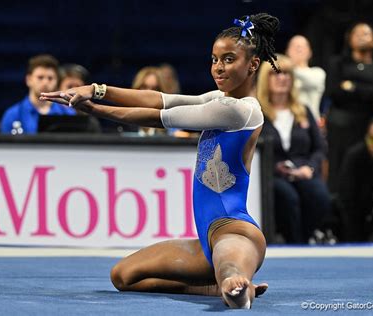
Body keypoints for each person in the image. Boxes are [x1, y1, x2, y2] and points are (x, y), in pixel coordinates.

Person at [41, 13, 280, 309]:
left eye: (229, 59)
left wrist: (94, 109)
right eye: (214, 59)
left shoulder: (242, 110)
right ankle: (212, 288)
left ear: (253, 65)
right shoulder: (219, 99)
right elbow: (161, 100)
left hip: (235, 231)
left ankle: (234, 284)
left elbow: (158, 116)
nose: (218, 68)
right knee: (123, 277)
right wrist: (96, 89)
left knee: (228, 267)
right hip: (206, 240)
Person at [257, 54, 331, 243]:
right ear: (266, 79)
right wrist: (275, 167)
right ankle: (294, 243)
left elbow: (319, 147)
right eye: (277, 74)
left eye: (287, 74)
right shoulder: (257, 112)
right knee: (288, 197)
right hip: (272, 174)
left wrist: (310, 168)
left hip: (303, 169)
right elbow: (252, 148)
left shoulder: (303, 110)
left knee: (320, 196)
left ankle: (307, 238)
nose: (282, 78)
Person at [325, 22, 373, 192]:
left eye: (366, 33)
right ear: (348, 40)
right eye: (357, 34)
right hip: (341, 126)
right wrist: (370, 92)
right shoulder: (337, 64)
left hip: (370, 124)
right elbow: (334, 91)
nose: (361, 37)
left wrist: (353, 87)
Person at [0, 54, 76, 134]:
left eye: (50, 78)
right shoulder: (12, 115)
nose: (45, 82)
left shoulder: (68, 114)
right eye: (40, 77)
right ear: (28, 80)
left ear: (57, 81)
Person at [286, 35, 326, 124]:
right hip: (288, 121)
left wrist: (286, 65)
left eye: (303, 46)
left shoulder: (318, 72)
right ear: (287, 51)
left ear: (310, 52)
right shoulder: (282, 75)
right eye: (294, 45)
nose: (298, 48)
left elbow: (311, 82)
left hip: (311, 123)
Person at [131, 66, 167, 136]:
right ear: (136, 89)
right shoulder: (122, 125)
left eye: (154, 88)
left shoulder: (170, 126)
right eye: (144, 87)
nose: (149, 93)